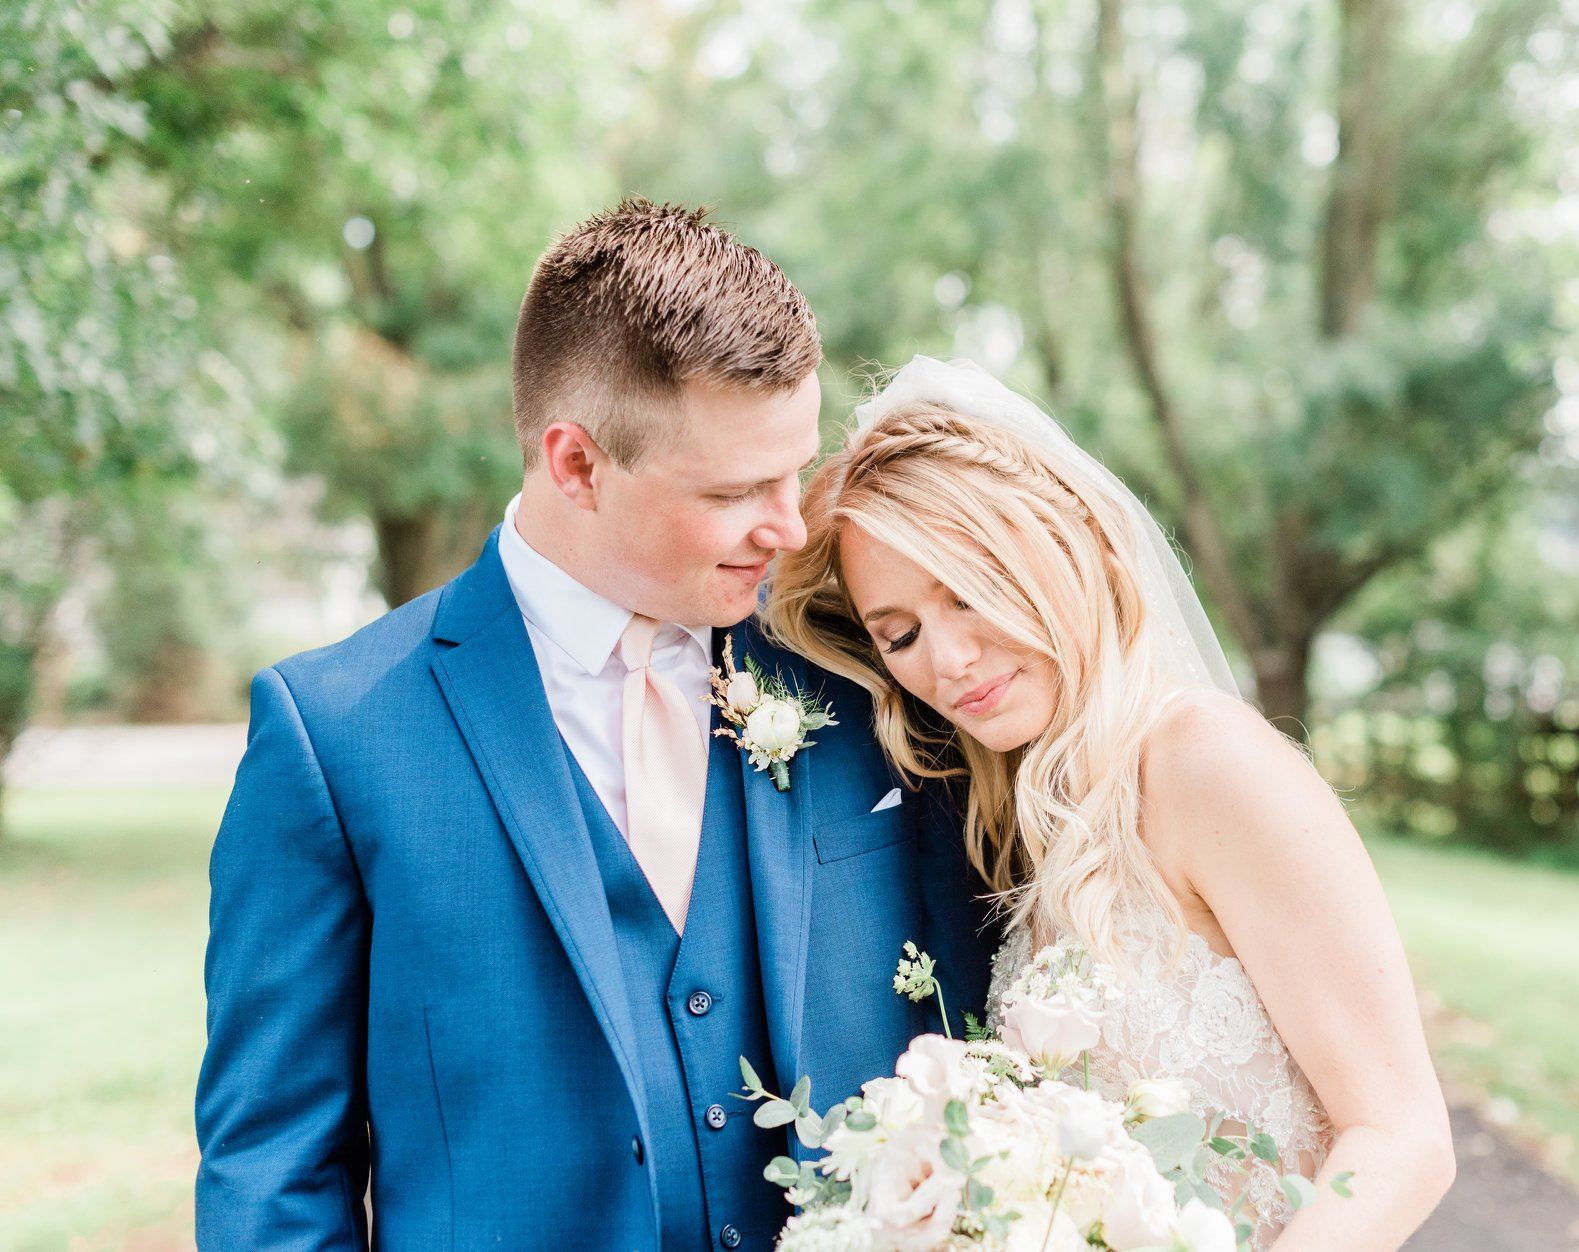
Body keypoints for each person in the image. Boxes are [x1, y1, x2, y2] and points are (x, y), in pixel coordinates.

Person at [194, 207, 995, 1250]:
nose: (792, 526)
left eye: (793, 470)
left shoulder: (861, 665)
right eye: (737, 488)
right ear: (576, 465)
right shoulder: (337, 737)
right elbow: (272, 1177)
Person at [763, 357, 1457, 1250]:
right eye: (899, 633)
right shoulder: (1037, 813)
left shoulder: (1208, 762)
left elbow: (1401, 1140)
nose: (947, 661)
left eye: (968, 594)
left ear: (1069, 539)